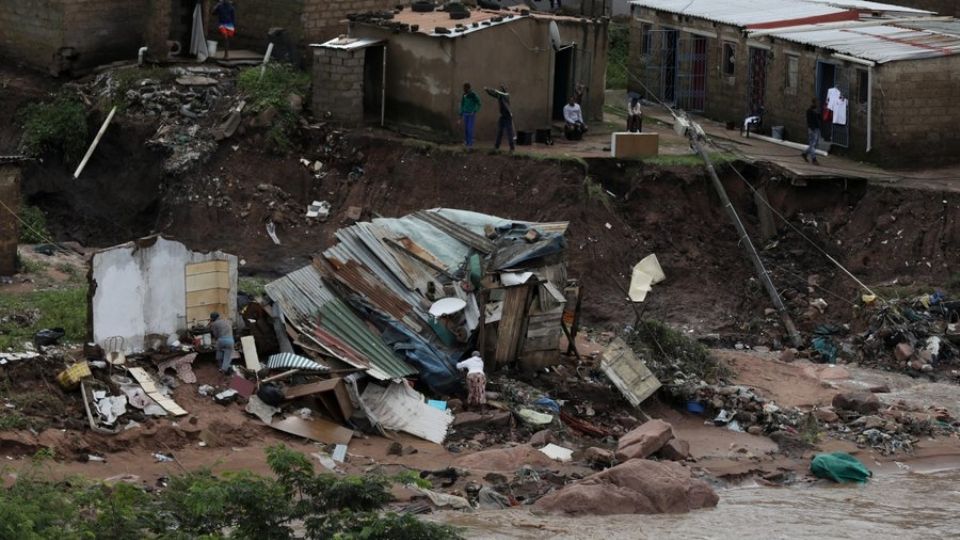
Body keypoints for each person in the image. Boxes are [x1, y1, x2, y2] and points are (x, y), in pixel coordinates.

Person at [484, 84, 515, 152]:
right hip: (503, 116)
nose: (500, 90)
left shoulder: (506, 95)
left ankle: (512, 147)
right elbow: (494, 94)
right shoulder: (500, 96)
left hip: (507, 116)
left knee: (509, 132)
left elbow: (497, 92)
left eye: (501, 89)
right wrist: (487, 91)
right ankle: (496, 146)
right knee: (500, 131)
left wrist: (491, 89)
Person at [458, 83, 481, 149]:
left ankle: (470, 144)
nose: (464, 89)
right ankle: (467, 142)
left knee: (469, 128)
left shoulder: (473, 95)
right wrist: (461, 114)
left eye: (465, 88)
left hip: (471, 114)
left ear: (468, 88)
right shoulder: (464, 95)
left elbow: (479, 103)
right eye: (463, 88)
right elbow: (462, 104)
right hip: (465, 114)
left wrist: (474, 110)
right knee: (466, 129)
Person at [802, 98, 821, 165]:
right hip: (812, 129)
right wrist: (812, 128)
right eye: (816, 103)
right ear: (813, 103)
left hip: (817, 128)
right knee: (813, 144)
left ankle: (805, 153)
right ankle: (814, 159)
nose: (817, 104)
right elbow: (809, 121)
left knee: (814, 144)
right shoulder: (809, 111)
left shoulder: (816, 111)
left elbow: (819, 118)